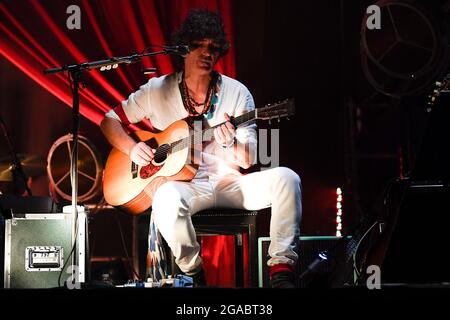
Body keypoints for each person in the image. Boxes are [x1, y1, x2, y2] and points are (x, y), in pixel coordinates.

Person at [100, 9, 302, 288]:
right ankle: (195, 275)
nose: (207, 53)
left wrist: (230, 141)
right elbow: (109, 121)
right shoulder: (156, 90)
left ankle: (281, 271)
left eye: (214, 48)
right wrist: (134, 149)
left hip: (230, 183)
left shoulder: (237, 93)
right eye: (199, 45)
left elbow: (248, 159)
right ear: (184, 49)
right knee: (165, 198)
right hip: (187, 186)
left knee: (288, 179)